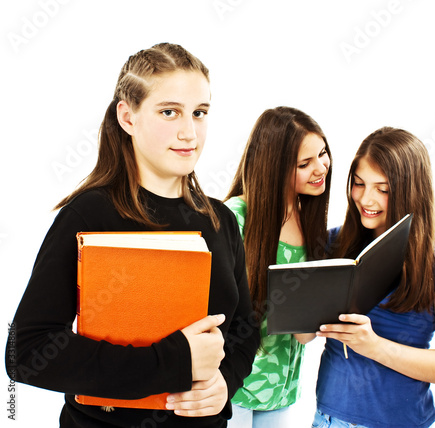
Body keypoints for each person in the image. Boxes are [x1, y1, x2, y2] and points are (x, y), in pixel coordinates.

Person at [5, 42, 260, 428]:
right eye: (169, 112)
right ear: (128, 117)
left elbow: (243, 328)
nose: (189, 132)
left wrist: (226, 382)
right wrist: (173, 362)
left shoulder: (220, 219)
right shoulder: (88, 214)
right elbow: (27, 353)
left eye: (200, 113)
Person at [311, 126, 435, 428]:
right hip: (327, 418)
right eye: (359, 184)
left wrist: (373, 345)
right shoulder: (334, 244)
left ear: (411, 192)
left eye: (383, 189)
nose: (366, 199)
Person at [224, 106, 332, 428]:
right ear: (274, 168)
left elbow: (303, 334)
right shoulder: (236, 217)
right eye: (304, 163)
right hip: (234, 388)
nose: (320, 168)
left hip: (281, 392)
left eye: (323, 153)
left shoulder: (310, 219)